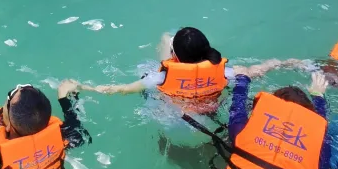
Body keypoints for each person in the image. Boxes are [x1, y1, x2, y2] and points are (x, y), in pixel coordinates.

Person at [77, 27, 239, 115]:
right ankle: (167, 40)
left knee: (144, 66)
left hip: (172, 117)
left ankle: (167, 40)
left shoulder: (160, 77)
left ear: (175, 56)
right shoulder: (226, 72)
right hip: (209, 115)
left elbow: (122, 89)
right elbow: (253, 71)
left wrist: (85, 87)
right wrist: (266, 64)